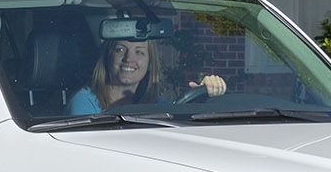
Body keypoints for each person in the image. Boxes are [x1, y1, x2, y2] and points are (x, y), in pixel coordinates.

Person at [66, 38, 226, 115]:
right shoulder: (84, 102)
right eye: (120, 49)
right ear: (108, 57)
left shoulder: (157, 104)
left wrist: (202, 99)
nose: (129, 58)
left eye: (139, 52)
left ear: (150, 63)